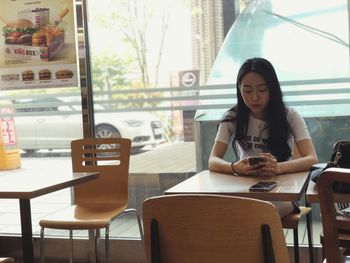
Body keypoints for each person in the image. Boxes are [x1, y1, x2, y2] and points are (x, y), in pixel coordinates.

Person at [208, 57, 318, 217]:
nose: (254, 97)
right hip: (244, 189)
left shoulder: (290, 116)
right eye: (247, 90)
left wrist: (278, 168)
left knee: (256, 214)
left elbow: (312, 159)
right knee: (222, 213)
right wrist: (235, 167)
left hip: (282, 191)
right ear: (239, 89)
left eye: (262, 89)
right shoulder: (233, 117)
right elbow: (213, 160)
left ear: (272, 89)